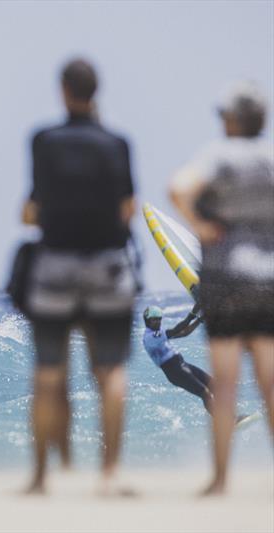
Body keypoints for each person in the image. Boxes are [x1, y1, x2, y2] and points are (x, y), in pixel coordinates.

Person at [20, 58, 138, 495]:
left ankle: (39, 478)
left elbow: (32, 209)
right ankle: (109, 475)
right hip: (107, 266)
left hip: (55, 267)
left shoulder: (43, 141)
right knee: (110, 371)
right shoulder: (117, 143)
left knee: (48, 374)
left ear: (64, 90)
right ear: (97, 92)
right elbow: (128, 207)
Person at [169, 80, 274, 496]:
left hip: (227, 281)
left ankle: (220, 479)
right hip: (267, 281)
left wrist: (202, 227)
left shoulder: (220, 154)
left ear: (232, 120)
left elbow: (179, 188)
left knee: (226, 381)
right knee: (269, 380)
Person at [142, 305, 214, 413]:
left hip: (183, 365)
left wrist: (199, 320)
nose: (158, 322)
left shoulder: (158, 332)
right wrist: (192, 314)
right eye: (154, 320)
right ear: (147, 321)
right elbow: (176, 329)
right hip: (175, 371)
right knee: (205, 393)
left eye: (159, 319)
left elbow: (184, 332)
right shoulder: (150, 337)